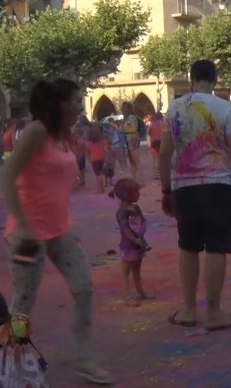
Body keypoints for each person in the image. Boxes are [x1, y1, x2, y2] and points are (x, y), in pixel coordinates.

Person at [1, 78, 114, 384]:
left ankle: (85, 359)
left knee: (83, 289)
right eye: (77, 100)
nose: (81, 105)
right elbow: (8, 175)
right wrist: (23, 225)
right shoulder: (36, 131)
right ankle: (12, 367)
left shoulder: (64, 136)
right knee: (23, 304)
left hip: (60, 232)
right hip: (29, 236)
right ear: (61, 103)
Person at [159, 60, 231, 331]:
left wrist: (166, 190)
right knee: (217, 247)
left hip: (184, 186)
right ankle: (214, 312)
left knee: (188, 246)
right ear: (215, 80)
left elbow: (165, 152)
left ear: (192, 78)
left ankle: (189, 310)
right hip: (219, 186)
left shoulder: (175, 107)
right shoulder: (225, 108)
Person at [110, 178, 153, 307]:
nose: (139, 194)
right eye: (136, 192)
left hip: (139, 243)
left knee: (137, 270)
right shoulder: (121, 211)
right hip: (129, 245)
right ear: (127, 194)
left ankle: (141, 292)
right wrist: (135, 239)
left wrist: (141, 233)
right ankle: (128, 295)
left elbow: (143, 221)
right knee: (126, 272)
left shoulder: (136, 207)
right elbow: (124, 228)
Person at [121, 102, 142, 183]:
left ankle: (141, 181)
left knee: (136, 162)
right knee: (133, 162)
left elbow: (132, 128)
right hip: (132, 140)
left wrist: (123, 130)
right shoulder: (131, 117)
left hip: (132, 140)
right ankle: (134, 180)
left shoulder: (130, 118)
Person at [87, 124, 107, 194]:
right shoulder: (102, 141)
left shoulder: (89, 143)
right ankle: (102, 188)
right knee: (100, 174)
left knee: (97, 175)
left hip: (94, 159)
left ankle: (99, 189)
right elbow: (105, 149)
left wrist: (89, 158)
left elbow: (88, 152)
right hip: (101, 158)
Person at [149, 112, 164, 177]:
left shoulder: (152, 124)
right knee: (161, 159)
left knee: (154, 160)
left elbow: (150, 133)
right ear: (161, 117)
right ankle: (160, 173)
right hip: (161, 142)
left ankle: (155, 175)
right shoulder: (163, 124)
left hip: (154, 142)